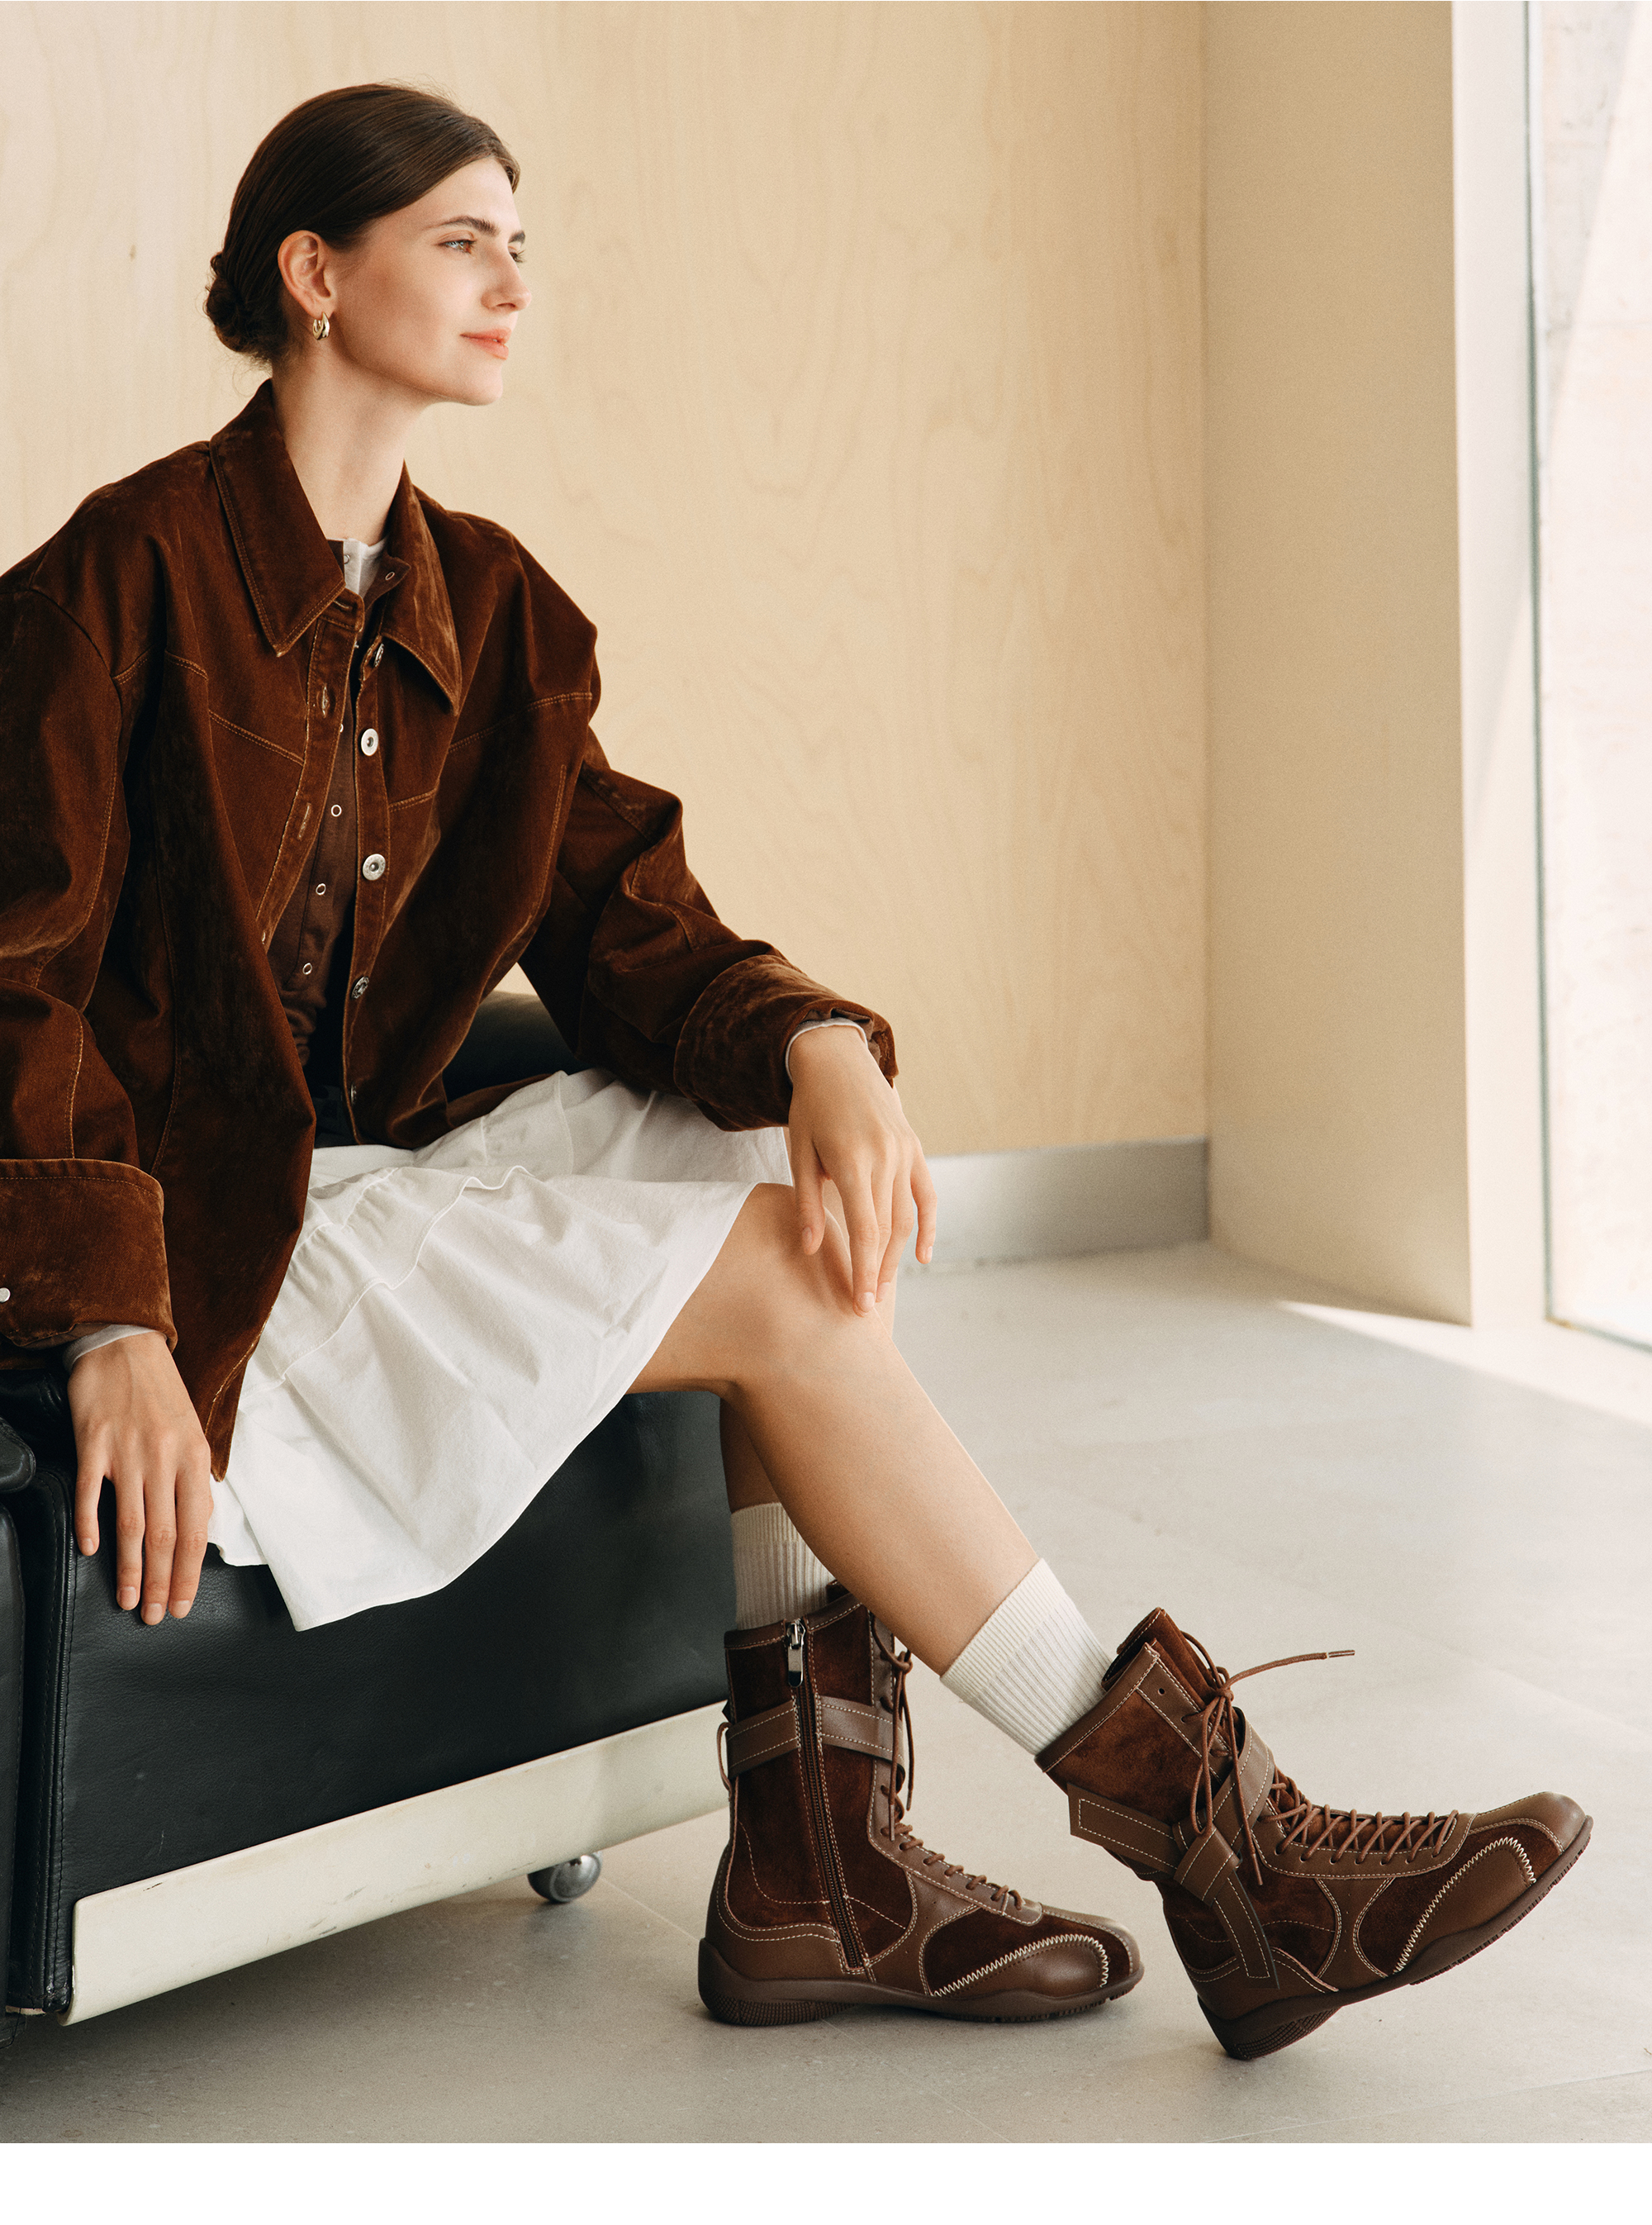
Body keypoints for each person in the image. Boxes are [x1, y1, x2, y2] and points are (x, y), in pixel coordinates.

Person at [0, 83, 1588, 2060]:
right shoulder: (114, 583)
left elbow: (630, 917)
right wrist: (108, 1320)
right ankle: (1224, 1845)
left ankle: (819, 1864)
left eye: (522, 246)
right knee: (768, 1271)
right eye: (461, 241)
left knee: (774, 1144)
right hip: (209, 1248)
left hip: (368, 1187)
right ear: (316, 274)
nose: (512, 284)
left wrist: (821, 1042)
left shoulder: (493, 612)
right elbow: (16, 984)